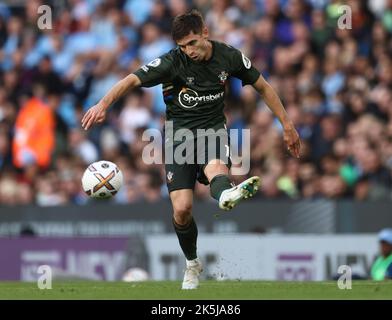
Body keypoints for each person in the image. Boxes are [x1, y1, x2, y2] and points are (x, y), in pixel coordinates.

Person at [81, 10, 301, 289]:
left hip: (212, 131)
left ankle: (224, 193)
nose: (189, 51)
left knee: (216, 169)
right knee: (182, 210)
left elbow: (264, 87)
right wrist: (103, 104)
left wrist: (287, 125)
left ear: (205, 33)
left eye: (193, 43)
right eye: (183, 46)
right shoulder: (172, 62)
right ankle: (193, 264)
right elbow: (131, 80)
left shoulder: (229, 56)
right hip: (178, 140)